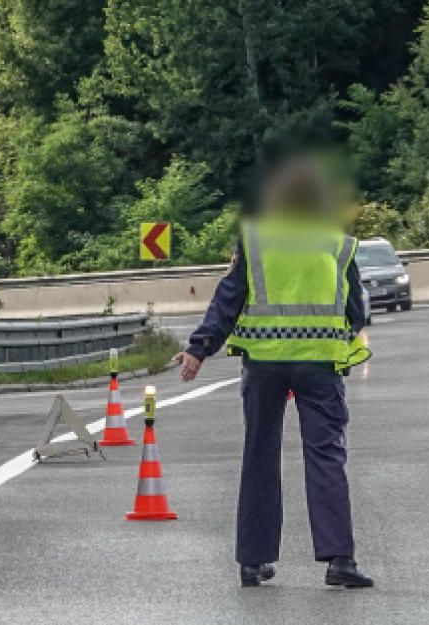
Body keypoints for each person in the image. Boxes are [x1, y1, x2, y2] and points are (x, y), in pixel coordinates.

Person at [174, 159, 373, 588]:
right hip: (319, 364)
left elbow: (228, 298)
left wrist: (198, 349)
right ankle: (339, 560)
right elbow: (357, 311)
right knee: (325, 456)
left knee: (259, 455)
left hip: (263, 364)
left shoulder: (256, 239)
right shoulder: (338, 244)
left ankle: (252, 561)